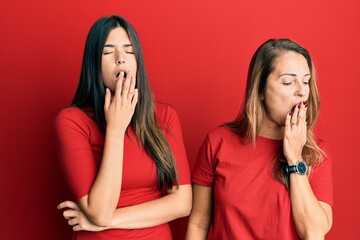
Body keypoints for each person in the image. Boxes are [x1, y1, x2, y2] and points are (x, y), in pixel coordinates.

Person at [54, 15, 192, 240]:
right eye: (108, 52)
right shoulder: (72, 121)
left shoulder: (164, 116)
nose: (121, 59)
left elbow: (182, 203)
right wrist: (116, 129)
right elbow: (99, 211)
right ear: (93, 64)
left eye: (129, 51)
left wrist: (105, 222)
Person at [185, 39, 333, 239]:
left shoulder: (316, 154)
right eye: (288, 82)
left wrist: (295, 159)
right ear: (260, 89)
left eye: (306, 81)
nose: (302, 91)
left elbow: (314, 233)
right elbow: (199, 223)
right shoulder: (218, 142)